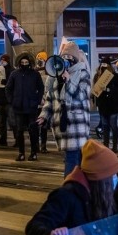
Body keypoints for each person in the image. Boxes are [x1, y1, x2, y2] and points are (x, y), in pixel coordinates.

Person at [36, 41, 92, 175]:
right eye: (64, 57)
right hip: (62, 124)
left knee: (72, 160)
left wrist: (69, 81)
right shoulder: (57, 76)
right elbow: (50, 98)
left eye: (69, 58)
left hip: (76, 126)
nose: (67, 61)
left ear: (74, 59)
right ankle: (78, 187)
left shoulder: (83, 73)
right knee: (74, 159)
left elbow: (81, 95)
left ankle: (70, 188)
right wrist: (43, 115)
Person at [6, 52, 44, 161]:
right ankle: (21, 152)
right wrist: (12, 101)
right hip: (18, 107)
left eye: (26, 62)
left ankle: (33, 152)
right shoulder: (14, 74)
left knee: (33, 130)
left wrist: (37, 100)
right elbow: (8, 88)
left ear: (30, 63)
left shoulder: (35, 74)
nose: (24, 64)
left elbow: (41, 88)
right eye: (22, 62)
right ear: (19, 63)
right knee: (19, 131)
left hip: (31, 107)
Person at [94, 60, 118, 153]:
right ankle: (106, 145)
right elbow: (95, 90)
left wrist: (108, 89)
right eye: (102, 66)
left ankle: (114, 146)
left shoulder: (114, 77)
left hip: (113, 106)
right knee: (105, 125)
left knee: (113, 125)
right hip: (103, 105)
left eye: (106, 66)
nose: (104, 68)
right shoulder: (97, 76)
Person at [34, 52, 51, 152]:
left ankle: (43, 145)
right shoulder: (34, 72)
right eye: (38, 60)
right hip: (36, 102)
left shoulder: (48, 72)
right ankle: (36, 145)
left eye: (41, 60)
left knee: (43, 125)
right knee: (35, 125)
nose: (39, 62)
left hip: (44, 102)